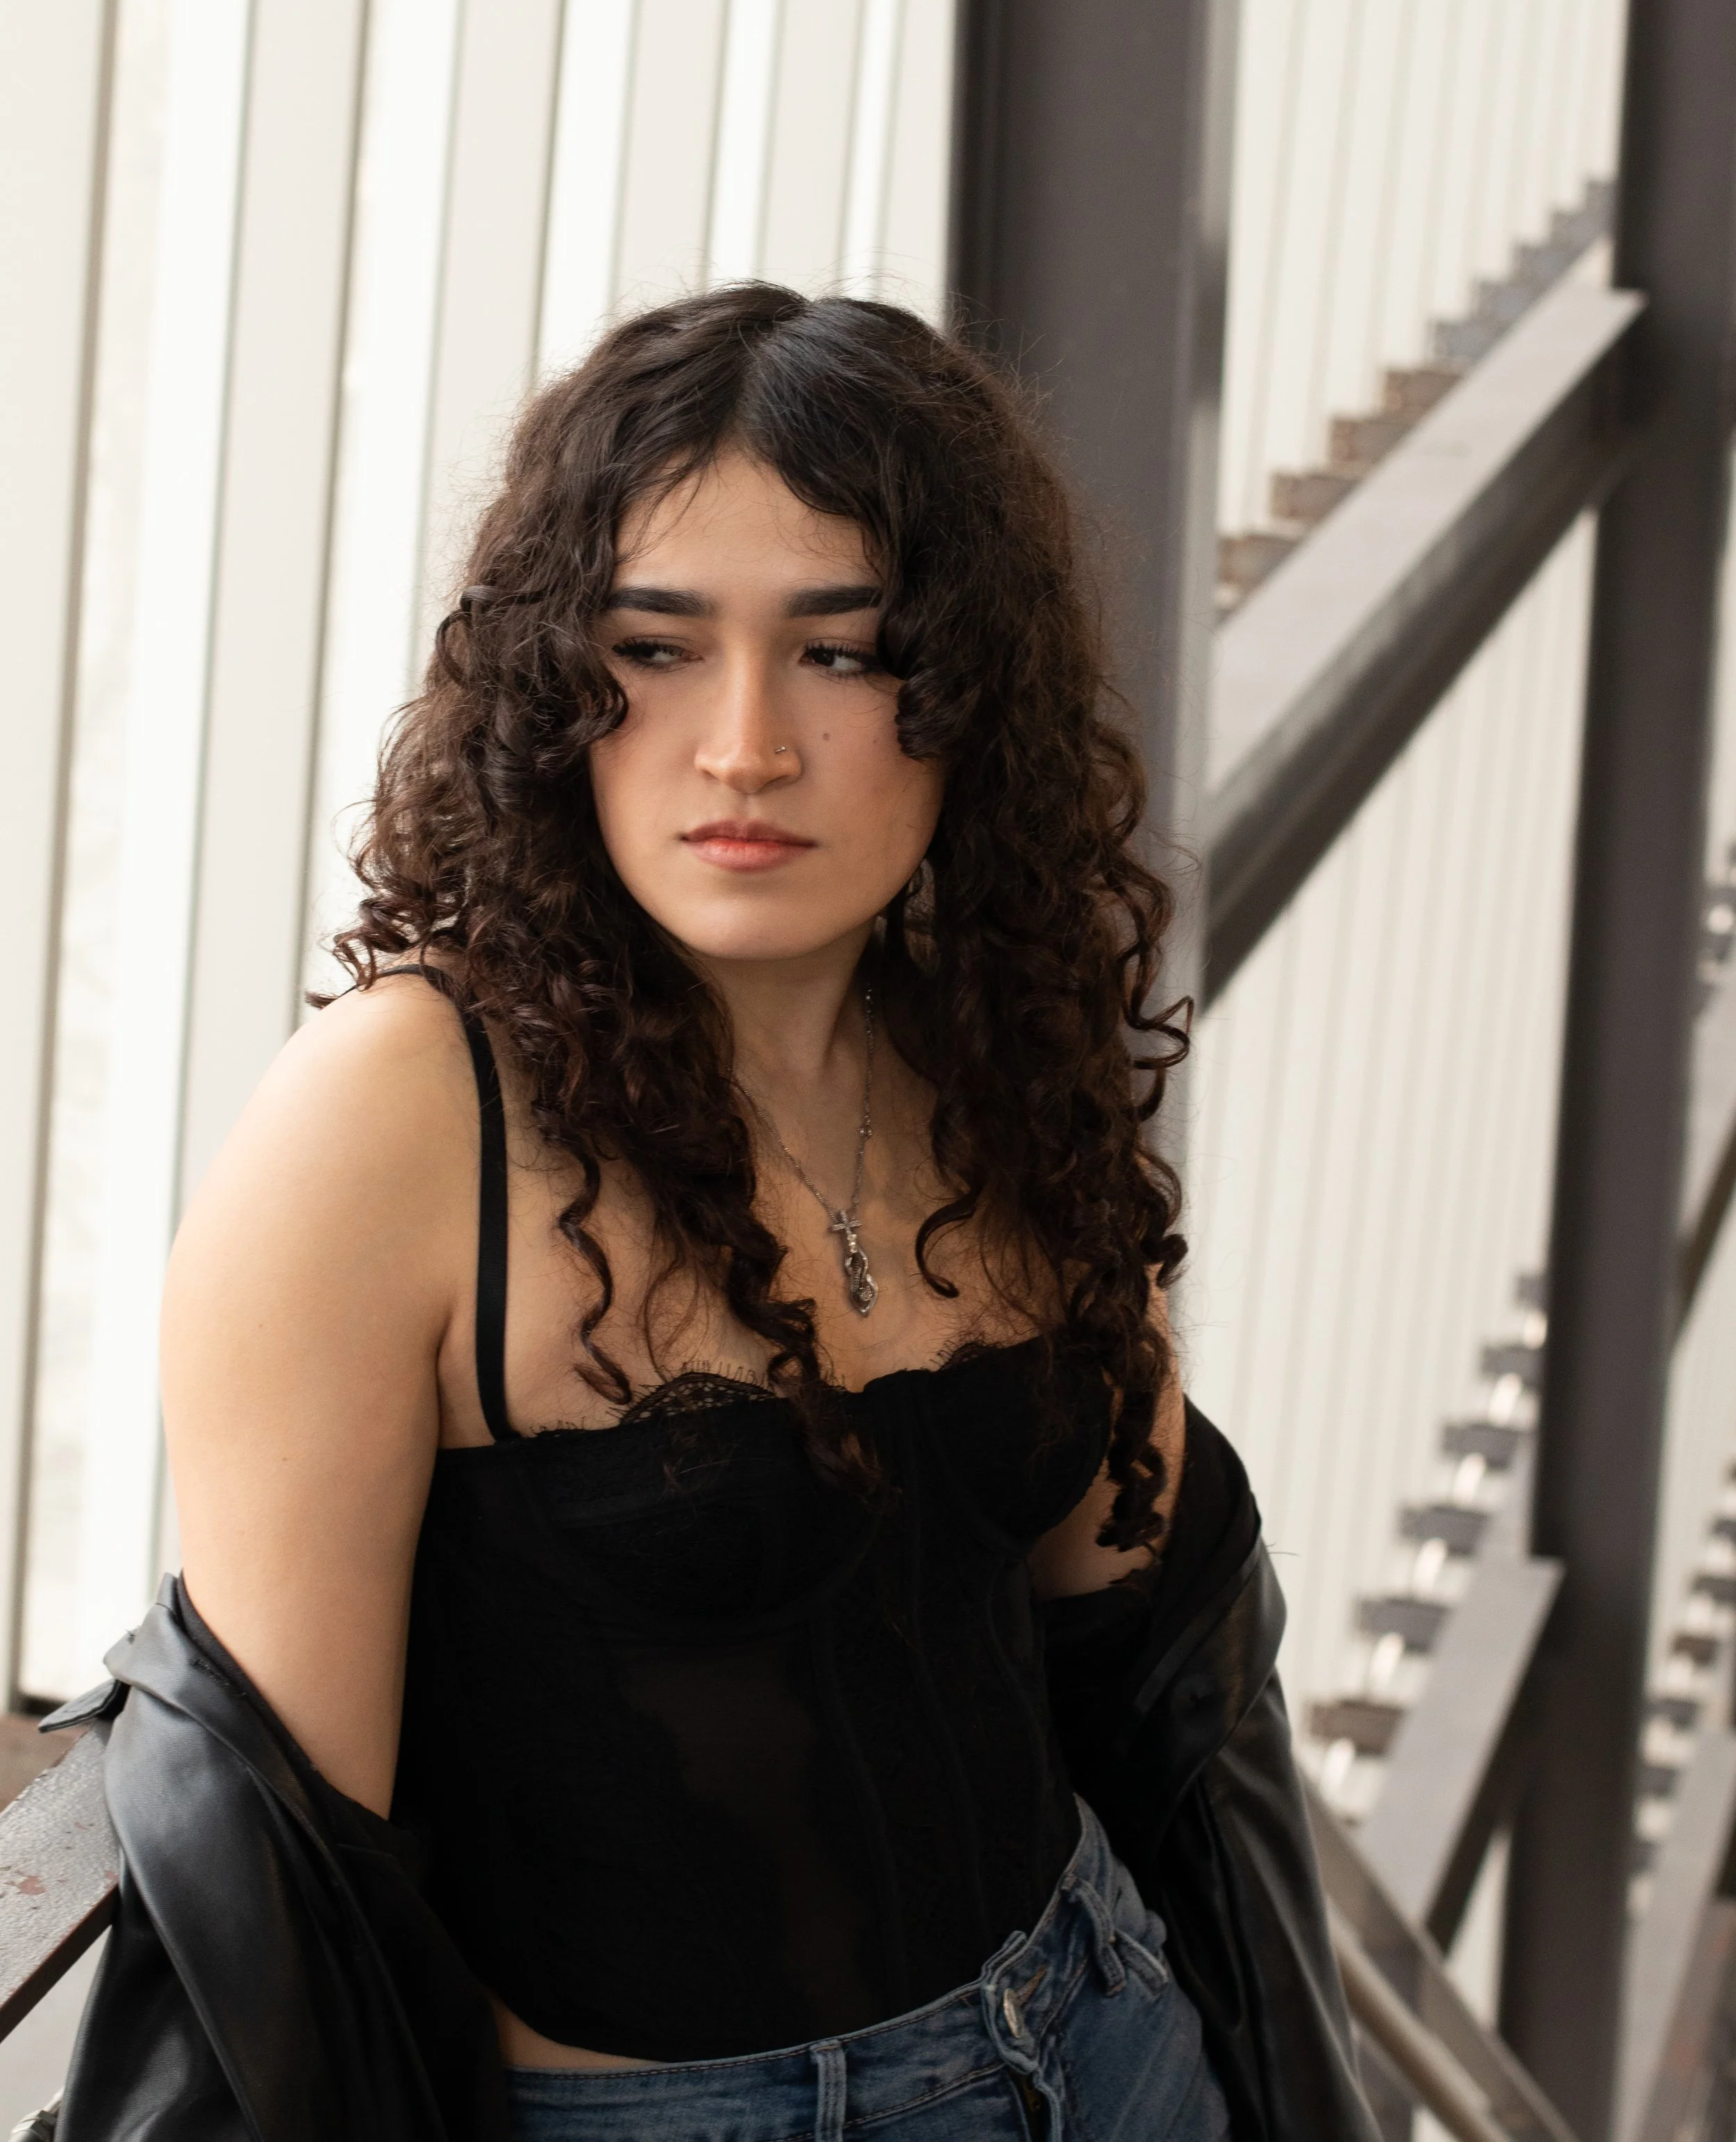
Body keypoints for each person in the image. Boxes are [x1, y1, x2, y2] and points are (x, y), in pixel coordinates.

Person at [56, 286, 1374, 2142]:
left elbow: (1145, 1618)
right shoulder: (395, 1120)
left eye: (840, 653)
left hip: (1107, 2038)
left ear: (965, 694)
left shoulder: (989, 1048)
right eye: (654, 651)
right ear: (550, 693)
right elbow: (288, 1897)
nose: (742, 744)